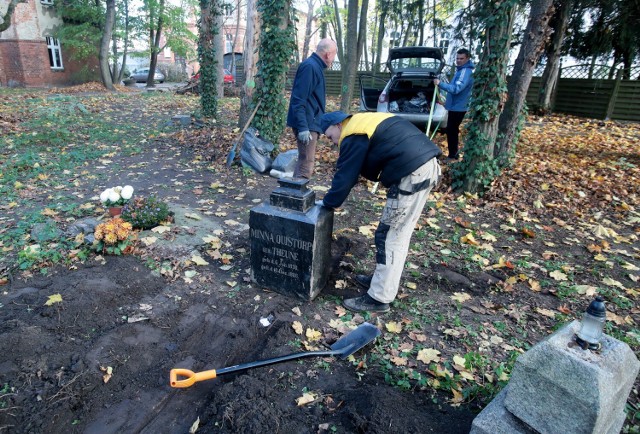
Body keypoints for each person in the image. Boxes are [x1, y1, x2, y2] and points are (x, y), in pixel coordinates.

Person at [316, 111, 442, 313]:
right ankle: (382, 282)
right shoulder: (362, 122)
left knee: (390, 236)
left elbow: (345, 177)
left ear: (339, 125)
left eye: (329, 136)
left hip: (413, 173)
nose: (331, 142)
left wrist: (328, 203)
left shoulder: (353, 135)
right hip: (423, 166)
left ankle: (379, 297)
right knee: (396, 233)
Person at [286, 38, 338, 179]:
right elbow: (298, 99)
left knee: (305, 161)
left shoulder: (315, 66)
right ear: (328, 54)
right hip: (307, 124)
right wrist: (303, 127)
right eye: (334, 54)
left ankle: (295, 195)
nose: (333, 59)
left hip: (311, 122)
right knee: (306, 164)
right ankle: (297, 197)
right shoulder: (310, 67)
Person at [433, 48, 474, 161]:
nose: (458, 60)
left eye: (461, 58)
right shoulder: (461, 70)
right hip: (456, 105)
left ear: (467, 58)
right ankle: (453, 154)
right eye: (457, 58)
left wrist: (440, 84)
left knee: (452, 131)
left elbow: (456, 89)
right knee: (452, 130)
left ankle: (453, 156)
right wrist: (447, 102)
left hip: (459, 108)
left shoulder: (465, 71)